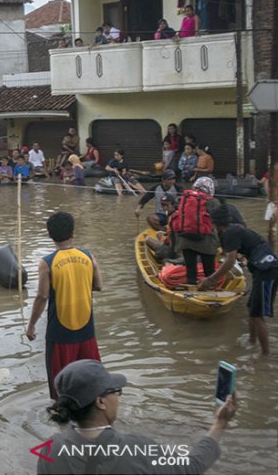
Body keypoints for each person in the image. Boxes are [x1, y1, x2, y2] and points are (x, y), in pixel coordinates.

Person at [38, 359, 237, 474]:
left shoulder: (48, 450)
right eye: (115, 391)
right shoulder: (139, 450)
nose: (118, 397)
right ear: (101, 402)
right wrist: (220, 423)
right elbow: (193, 466)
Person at [26, 212, 103, 400]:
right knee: (91, 382)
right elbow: (98, 286)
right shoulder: (87, 256)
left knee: (61, 387)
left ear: (50, 235)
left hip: (60, 334)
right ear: (72, 232)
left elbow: (42, 296)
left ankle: (65, 421)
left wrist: (31, 325)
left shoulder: (47, 263)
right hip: (86, 331)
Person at [200, 205, 278, 355]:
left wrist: (211, 279)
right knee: (252, 310)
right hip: (262, 269)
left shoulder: (230, 233)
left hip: (268, 271)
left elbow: (230, 260)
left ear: (216, 223)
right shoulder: (234, 229)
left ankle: (265, 356)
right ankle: (252, 342)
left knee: (258, 314)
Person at [173, 177, 218, 285]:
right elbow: (218, 221)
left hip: (185, 240)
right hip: (206, 241)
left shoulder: (184, 198)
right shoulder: (212, 201)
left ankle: (190, 287)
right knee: (209, 271)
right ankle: (211, 292)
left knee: (191, 271)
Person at [144, 194, 179, 262]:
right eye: (163, 205)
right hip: (179, 246)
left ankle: (162, 257)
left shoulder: (173, 218)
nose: (164, 208)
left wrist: (164, 239)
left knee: (147, 239)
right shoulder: (179, 214)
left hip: (173, 251)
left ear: (172, 204)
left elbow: (170, 239)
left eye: (167, 205)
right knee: (159, 233)